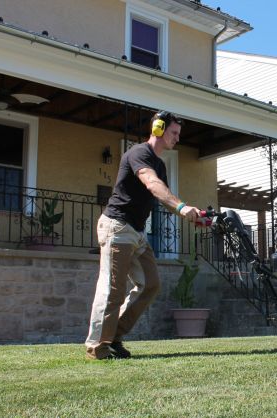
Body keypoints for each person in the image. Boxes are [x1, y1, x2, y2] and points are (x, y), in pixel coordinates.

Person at [85, 111, 200, 360]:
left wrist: (194, 214)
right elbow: (152, 184)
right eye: (174, 133)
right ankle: (97, 346)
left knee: (150, 284)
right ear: (158, 128)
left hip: (136, 231)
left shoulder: (159, 164)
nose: (177, 138)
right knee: (113, 288)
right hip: (117, 226)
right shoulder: (139, 154)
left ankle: (114, 335)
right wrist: (182, 207)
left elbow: (163, 193)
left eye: (179, 134)